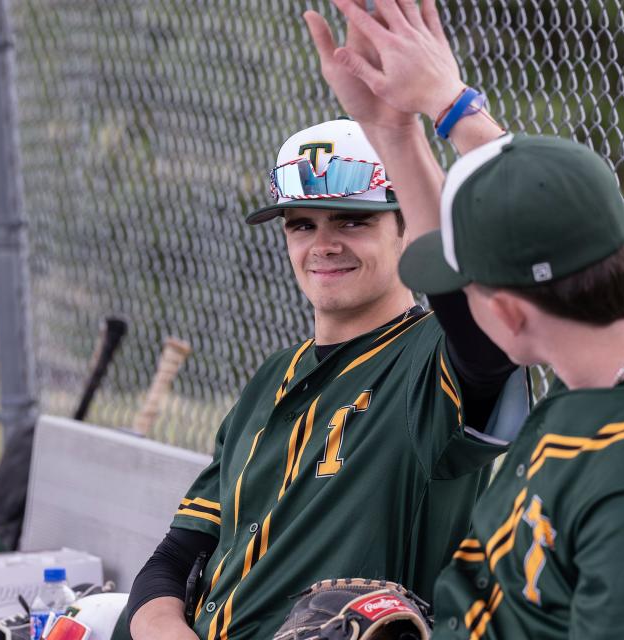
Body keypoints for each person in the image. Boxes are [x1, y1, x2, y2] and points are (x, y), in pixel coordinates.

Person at [306, 0, 624, 637]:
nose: (448, 306)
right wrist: (425, 115)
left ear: (506, 313)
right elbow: (534, 193)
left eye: (460, 289)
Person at [126, 87, 528, 640]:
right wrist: (162, 628)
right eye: (301, 224)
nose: (323, 244)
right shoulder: (270, 378)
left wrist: (448, 107)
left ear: (408, 228)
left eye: (353, 221)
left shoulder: (438, 358)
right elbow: (178, 552)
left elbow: (505, 259)